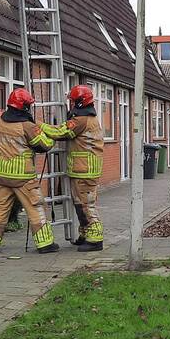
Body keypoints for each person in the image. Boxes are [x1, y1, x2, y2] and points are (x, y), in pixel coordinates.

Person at [0, 88, 59, 254]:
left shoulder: (0, 120)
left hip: (1, 175)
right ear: (25, 107)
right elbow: (44, 145)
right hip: (23, 177)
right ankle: (45, 244)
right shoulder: (27, 126)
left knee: (0, 209)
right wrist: (52, 136)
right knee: (36, 207)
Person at [42, 84, 105, 251]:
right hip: (83, 168)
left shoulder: (81, 120)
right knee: (80, 204)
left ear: (79, 102)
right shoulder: (87, 118)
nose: (70, 104)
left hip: (84, 170)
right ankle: (86, 234)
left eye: (72, 101)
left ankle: (95, 239)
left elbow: (60, 132)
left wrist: (39, 126)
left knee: (86, 205)